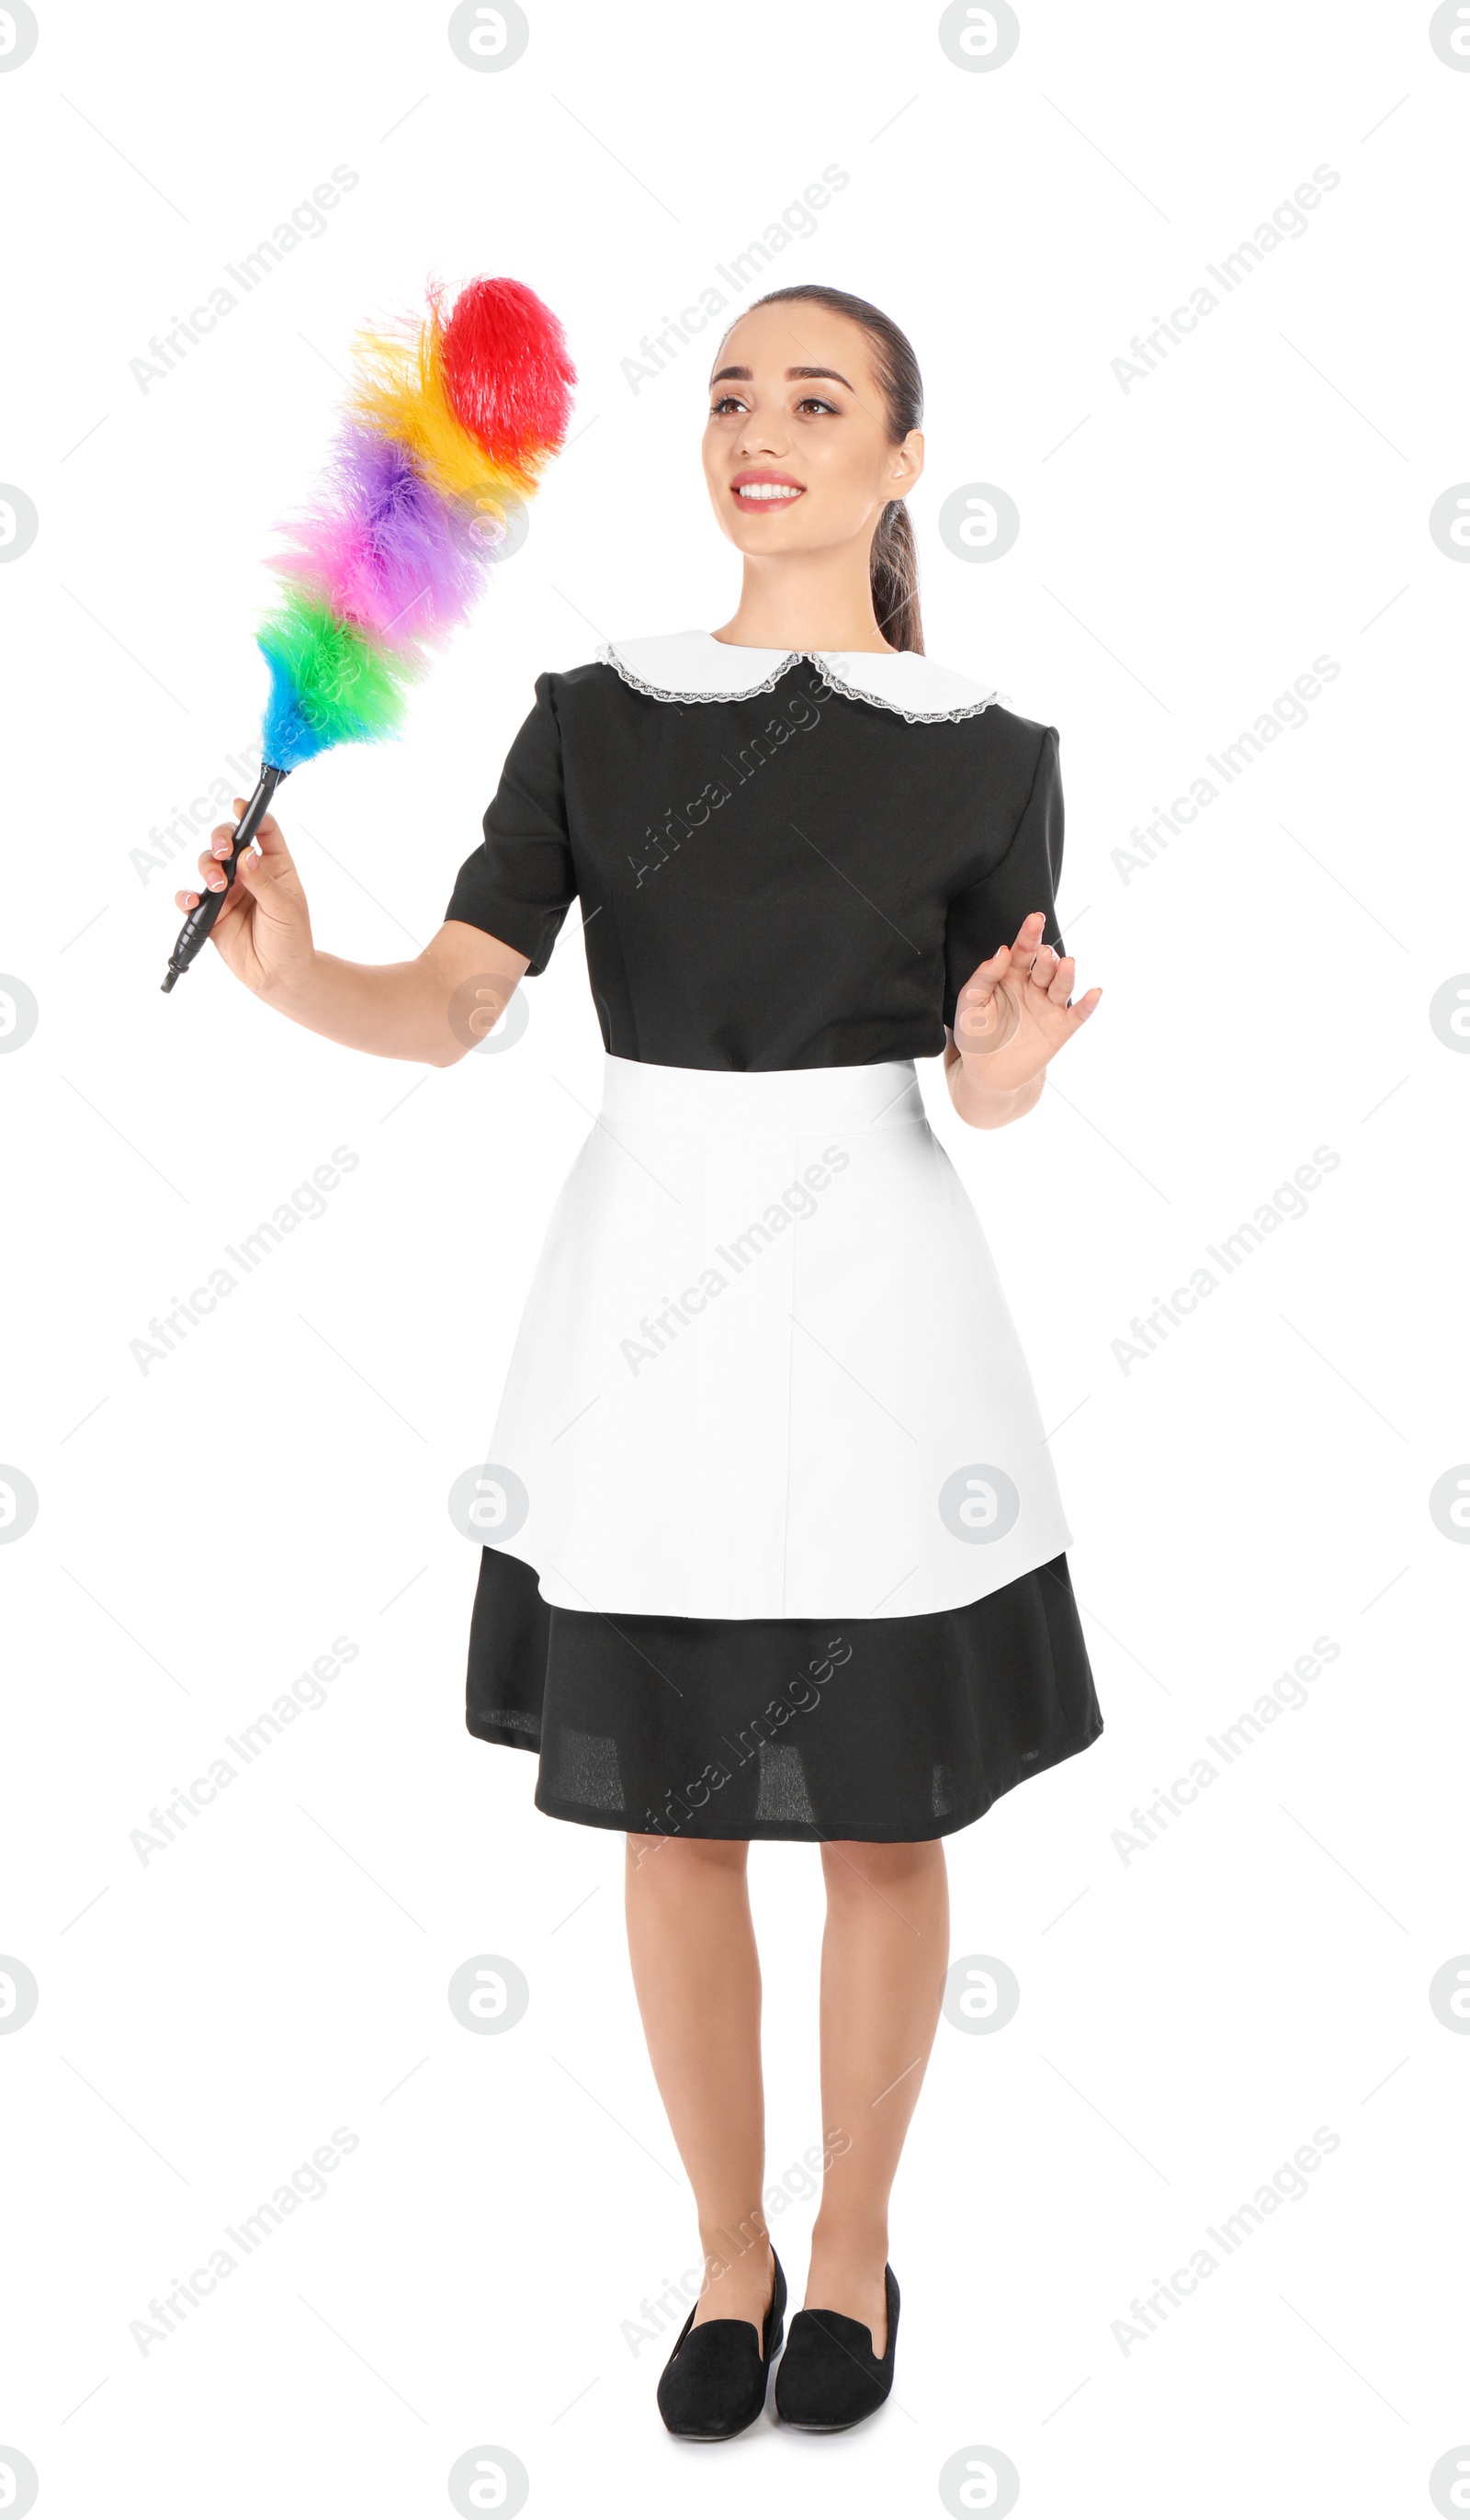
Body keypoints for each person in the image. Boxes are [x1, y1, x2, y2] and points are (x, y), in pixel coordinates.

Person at [176, 282, 1104, 2441]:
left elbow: (986, 1083)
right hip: (645, 1289)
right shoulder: (592, 713)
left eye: (815, 398)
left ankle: (853, 2243)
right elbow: (452, 1001)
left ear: (898, 462)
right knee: (674, 1806)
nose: (756, 428)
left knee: (879, 1815)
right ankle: (724, 2251)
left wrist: (1008, 1060)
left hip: (881, 1289)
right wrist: (293, 966)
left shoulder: (991, 752)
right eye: (725, 397)